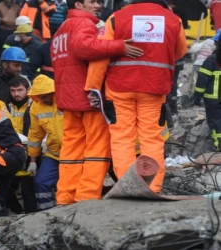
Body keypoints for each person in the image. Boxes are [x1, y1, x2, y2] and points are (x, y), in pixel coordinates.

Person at [85, 0, 188, 193]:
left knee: (122, 137)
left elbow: (102, 54)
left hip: (119, 87)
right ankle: (153, 186)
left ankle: (128, 186)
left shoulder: (116, 18)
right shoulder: (174, 20)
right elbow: (181, 51)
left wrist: (93, 86)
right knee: (151, 138)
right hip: (154, 87)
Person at [51, 0, 144, 204]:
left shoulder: (61, 30)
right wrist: (119, 46)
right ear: (79, 4)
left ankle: (66, 196)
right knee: (97, 149)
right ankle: (86, 197)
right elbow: (84, 48)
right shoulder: (84, 24)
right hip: (88, 98)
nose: (98, 6)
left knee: (71, 151)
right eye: (93, 2)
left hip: (68, 98)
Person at [26, 75, 63, 210]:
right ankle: (47, 214)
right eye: (39, 96)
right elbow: (35, 135)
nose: (41, 99)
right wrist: (32, 161)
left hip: (76, 154)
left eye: (44, 96)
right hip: (54, 154)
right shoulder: (36, 107)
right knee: (41, 182)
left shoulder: (65, 99)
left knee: (70, 185)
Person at [194, 43, 221, 151]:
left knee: (216, 122)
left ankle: (219, 146)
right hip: (214, 99)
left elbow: (202, 80)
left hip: (213, 99)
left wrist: (197, 97)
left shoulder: (212, 60)